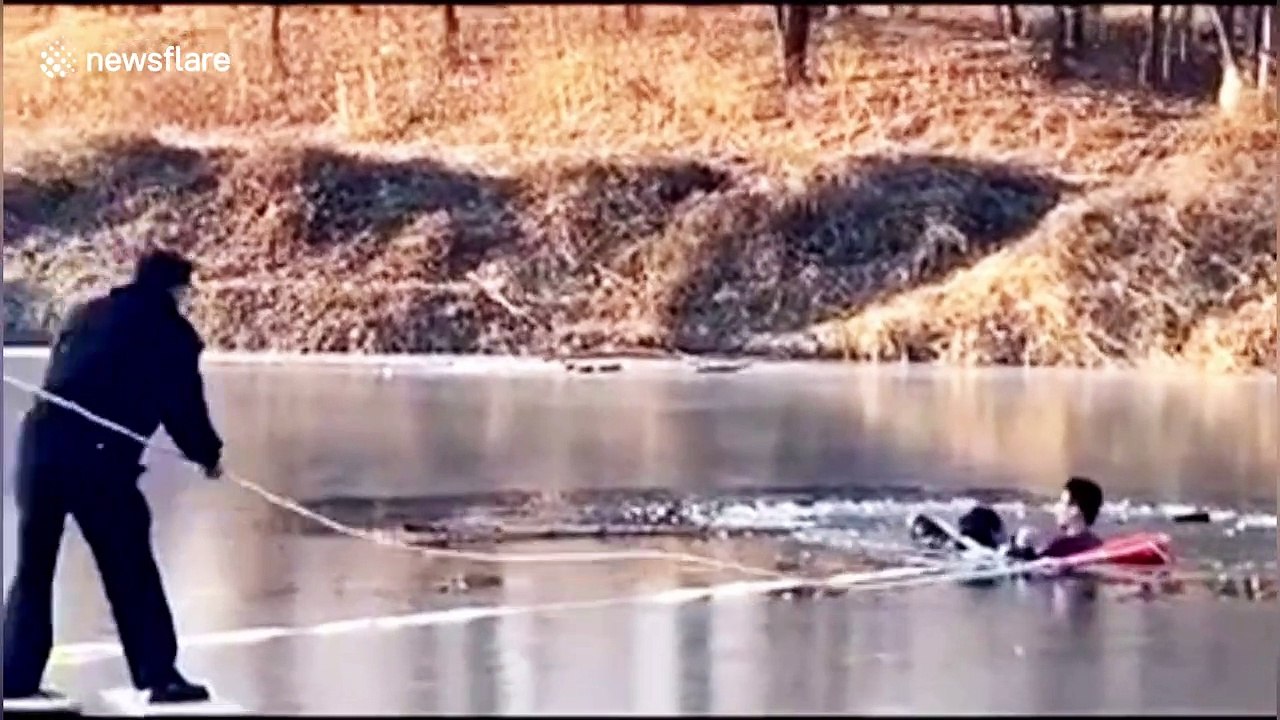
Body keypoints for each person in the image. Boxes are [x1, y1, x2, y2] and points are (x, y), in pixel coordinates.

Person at [3, 249, 223, 706]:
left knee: (33, 569)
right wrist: (207, 454)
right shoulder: (171, 334)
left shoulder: (85, 314)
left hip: (39, 448)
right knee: (130, 568)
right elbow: (183, 405)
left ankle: (14, 677)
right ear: (174, 290)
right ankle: (160, 676)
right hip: (97, 460)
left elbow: (68, 375)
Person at [1006, 476, 1105, 561]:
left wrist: (1020, 547)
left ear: (1074, 510)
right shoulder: (1096, 543)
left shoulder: (1063, 547)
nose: (1056, 507)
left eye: (1061, 502)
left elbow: (1032, 567)